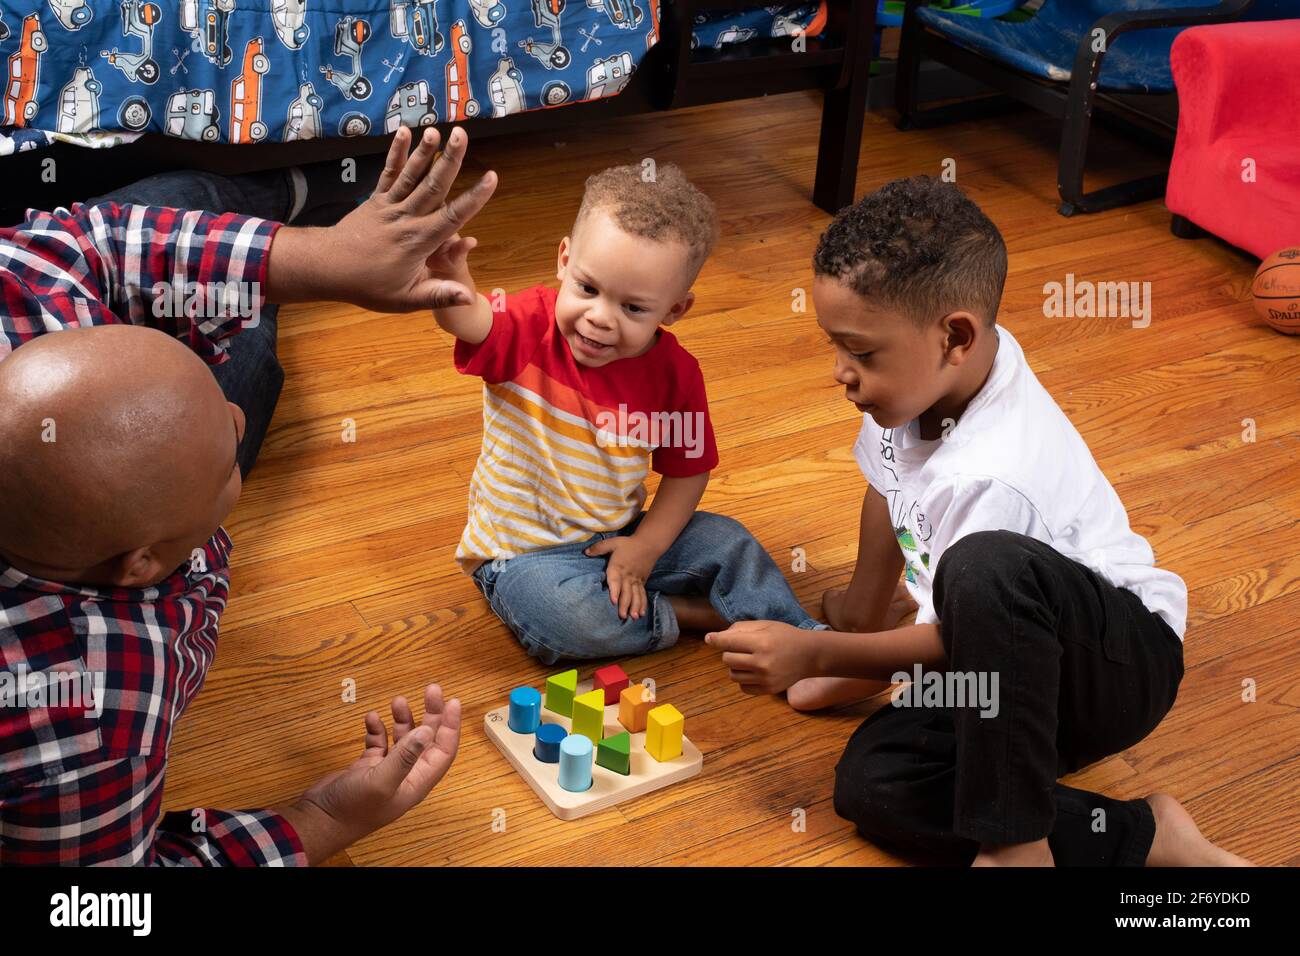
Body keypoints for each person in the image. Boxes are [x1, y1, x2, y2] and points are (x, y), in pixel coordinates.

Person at [706, 176, 1251, 867]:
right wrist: (858, 626)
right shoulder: (925, 380)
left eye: (862, 353)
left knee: (984, 566)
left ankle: (1016, 847)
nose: (842, 372)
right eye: (836, 346)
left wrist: (819, 654)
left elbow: (957, 636)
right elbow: (887, 486)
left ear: (955, 336)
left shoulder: (994, 471)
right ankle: (1149, 839)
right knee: (874, 784)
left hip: (1110, 666)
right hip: (1002, 666)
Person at [0, 126, 482, 865]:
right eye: (225, 457)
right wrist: (321, 820)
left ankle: (307, 194)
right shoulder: (82, 725)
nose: (234, 416)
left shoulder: (18, 298)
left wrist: (329, 262)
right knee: (249, 334)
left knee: (205, 238)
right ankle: (308, 191)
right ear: (139, 563)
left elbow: (82, 242)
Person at [427, 162, 822, 664]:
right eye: (587, 289)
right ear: (565, 260)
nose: (600, 318)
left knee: (728, 540)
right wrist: (451, 279)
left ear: (675, 309)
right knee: (561, 613)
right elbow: (470, 321)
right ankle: (696, 614)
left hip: (620, 534)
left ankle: (807, 641)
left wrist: (646, 548)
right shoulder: (528, 326)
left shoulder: (675, 374)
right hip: (522, 556)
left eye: (634, 308)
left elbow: (688, 470)